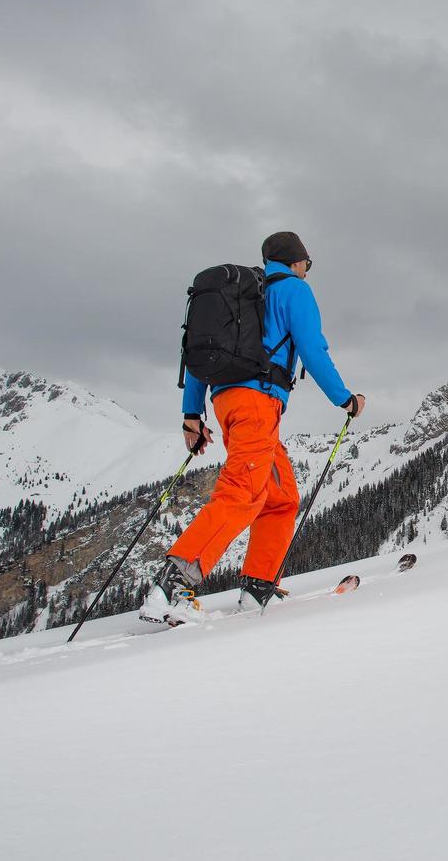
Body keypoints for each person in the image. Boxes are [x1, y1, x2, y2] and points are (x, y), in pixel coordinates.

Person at [140, 231, 365, 625]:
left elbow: (201, 356)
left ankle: (259, 586)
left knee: (280, 496)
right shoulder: (292, 291)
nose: (308, 271)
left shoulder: (243, 298)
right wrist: (345, 399)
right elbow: (313, 348)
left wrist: (191, 415)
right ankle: (172, 586)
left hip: (228, 404)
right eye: (308, 264)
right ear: (296, 261)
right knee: (241, 492)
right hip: (257, 404)